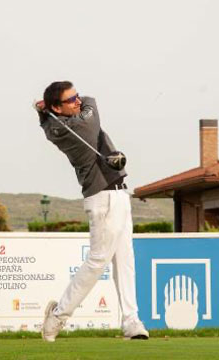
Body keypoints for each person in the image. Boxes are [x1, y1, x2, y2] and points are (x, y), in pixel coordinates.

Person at [34, 81, 149, 342]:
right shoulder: (79, 126)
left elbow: (72, 106)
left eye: (76, 96)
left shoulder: (52, 124)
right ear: (57, 107)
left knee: (124, 260)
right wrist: (46, 109)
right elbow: (92, 102)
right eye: (70, 100)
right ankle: (58, 316)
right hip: (104, 197)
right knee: (98, 261)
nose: (77, 101)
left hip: (118, 193)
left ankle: (131, 321)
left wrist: (42, 111)